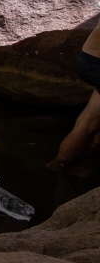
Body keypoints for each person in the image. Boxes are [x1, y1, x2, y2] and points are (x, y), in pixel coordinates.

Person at [46, 16, 100, 177]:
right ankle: (61, 164)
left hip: (90, 58)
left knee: (92, 117)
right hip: (97, 64)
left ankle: (90, 149)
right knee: (89, 123)